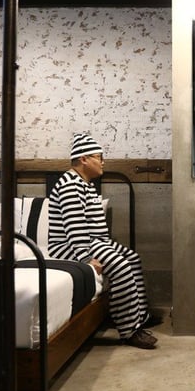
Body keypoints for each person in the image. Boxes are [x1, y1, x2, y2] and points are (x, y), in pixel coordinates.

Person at [47, 133, 158, 349]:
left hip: (94, 241)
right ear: (84, 159)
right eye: (99, 157)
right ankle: (129, 330)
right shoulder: (70, 185)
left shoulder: (84, 184)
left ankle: (139, 315)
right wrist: (87, 258)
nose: (103, 162)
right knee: (121, 267)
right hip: (68, 247)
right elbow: (74, 225)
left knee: (133, 258)